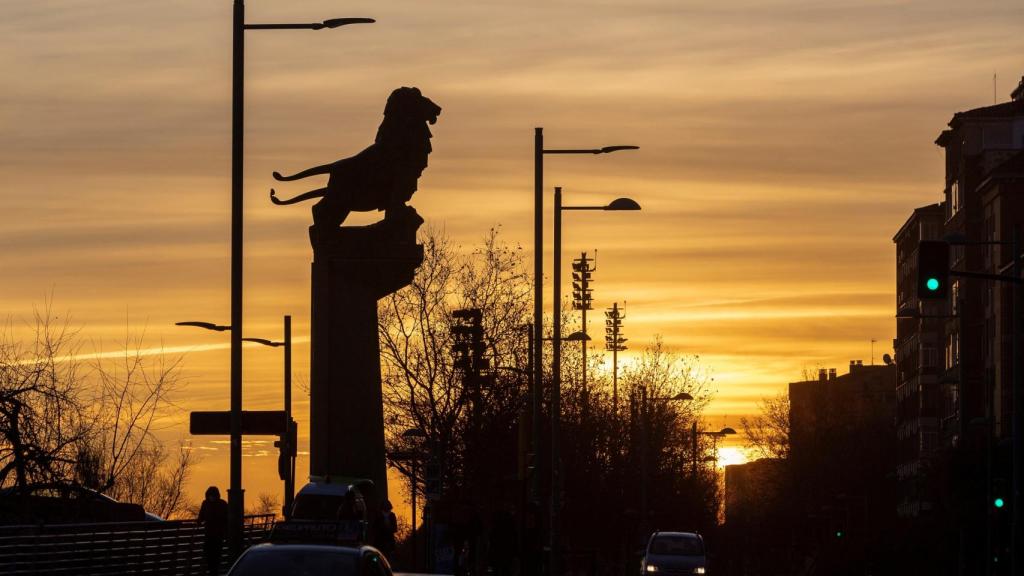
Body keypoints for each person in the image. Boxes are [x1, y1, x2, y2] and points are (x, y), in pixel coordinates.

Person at [197, 486, 228, 576]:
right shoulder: (222, 504)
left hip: (213, 535)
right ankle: (213, 572)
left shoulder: (206, 504)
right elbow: (201, 516)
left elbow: (201, 517)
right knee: (213, 556)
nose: (211, 497)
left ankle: (213, 572)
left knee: (212, 556)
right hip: (214, 535)